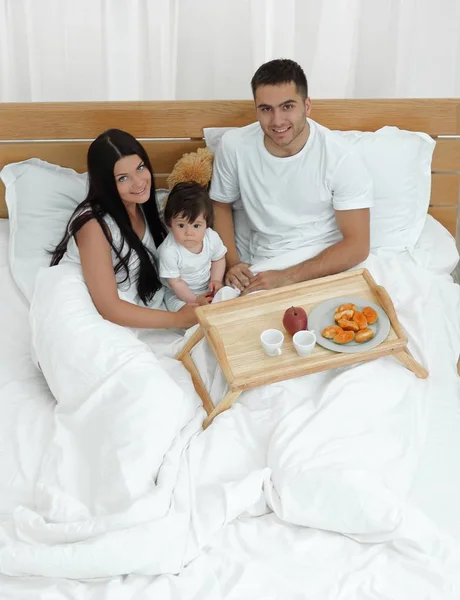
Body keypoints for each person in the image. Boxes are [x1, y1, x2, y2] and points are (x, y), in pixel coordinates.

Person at [210, 58, 373, 294]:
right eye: (266, 109)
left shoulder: (341, 156)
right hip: (268, 263)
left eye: (287, 107)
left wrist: (288, 278)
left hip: (329, 260)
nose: (277, 121)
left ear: (306, 106)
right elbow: (221, 204)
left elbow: (357, 246)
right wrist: (233, 263)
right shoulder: (234, 146)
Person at [50, 129, 197, 330]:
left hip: (130, 309)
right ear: (106, 183)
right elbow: (109, 308)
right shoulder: (94, 226)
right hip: (86, 315)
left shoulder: (144, 206)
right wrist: (179, 320)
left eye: (140, 167)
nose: (138, 182)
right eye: (123, 178)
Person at [158, 181, 227, 312]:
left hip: (207, 287)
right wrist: (195, 300)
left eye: (196, 226)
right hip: (178, 294)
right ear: (169, 222)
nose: (189, 233)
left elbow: (219, 258)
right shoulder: (169, 251)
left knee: (228, 299)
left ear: (207, 223)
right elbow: (176, 283)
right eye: (181, 225)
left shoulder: (211, 237)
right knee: (188, 314)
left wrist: (216, 280)